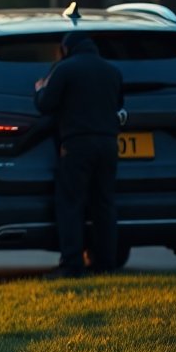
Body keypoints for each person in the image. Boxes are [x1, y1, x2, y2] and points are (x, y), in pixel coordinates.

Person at [34, 31, 124, 277]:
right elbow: (118, 104)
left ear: (66, 49)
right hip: (108, 145)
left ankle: (71, 264)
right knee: (104, 204)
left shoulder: (65, 70)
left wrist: (41, 88)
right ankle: (106, 263)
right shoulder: (112, 71)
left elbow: (45, 104)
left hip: (77, 145)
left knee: (71, 204)